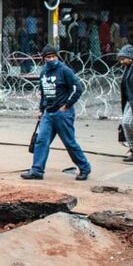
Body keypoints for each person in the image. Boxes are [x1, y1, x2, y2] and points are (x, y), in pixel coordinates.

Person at [21, 45, 91, 181]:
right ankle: (37, 170)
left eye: (53, 56)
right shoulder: (44, 72)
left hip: (62, 113)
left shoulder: (65, 71)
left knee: (69, 142)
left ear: (57, 57)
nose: (51, 59)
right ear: (44, 59)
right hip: (48, 113)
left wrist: (66, 106)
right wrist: (41, 110)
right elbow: (44, 94)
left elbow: (78, 89)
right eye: (48, 57)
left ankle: (84, 168)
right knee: (41, 141)